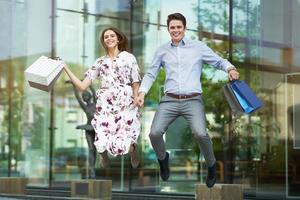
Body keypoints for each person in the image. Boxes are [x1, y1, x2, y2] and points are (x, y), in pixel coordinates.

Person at [136, 13, 239, 187]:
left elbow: (218, 61)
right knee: (154, 133)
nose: (175, 30)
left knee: (200, 133)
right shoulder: (162, 50)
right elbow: (151, 73)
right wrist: (142, 92)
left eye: (179, 27)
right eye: (172, 27)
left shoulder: (197, 47)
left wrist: (230, 68)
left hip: (193, 100)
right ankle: (163, 159)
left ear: (184, 28)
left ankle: (212, 164)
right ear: (168, 29)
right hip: (169, 100)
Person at [63, 27, 141, 168]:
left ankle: (133, 149)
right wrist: (65, 67)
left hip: (125, 103)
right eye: (106, 37)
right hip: (106, 104)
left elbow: (135, 82)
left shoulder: (129, 58)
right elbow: (82, 86)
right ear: (104, 42)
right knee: (101, 137)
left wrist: (137, 97)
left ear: (118, 39)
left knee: (121, 143)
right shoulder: (100, 62)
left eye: (112, 36)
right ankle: (103, 155)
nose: (109, 38)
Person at [70, 82, 97, 178]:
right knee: (90, 149)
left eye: (85, 95)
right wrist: (74, 85)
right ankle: (92, 169)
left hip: (96, 129)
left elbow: (94, 92)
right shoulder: (85, 107)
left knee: (95, 150)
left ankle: (93, 168)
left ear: (89, 96)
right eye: (83, 96)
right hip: (88, 128)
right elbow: (77, 97)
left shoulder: (96, 104)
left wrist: (89, 83)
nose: (84, 97)